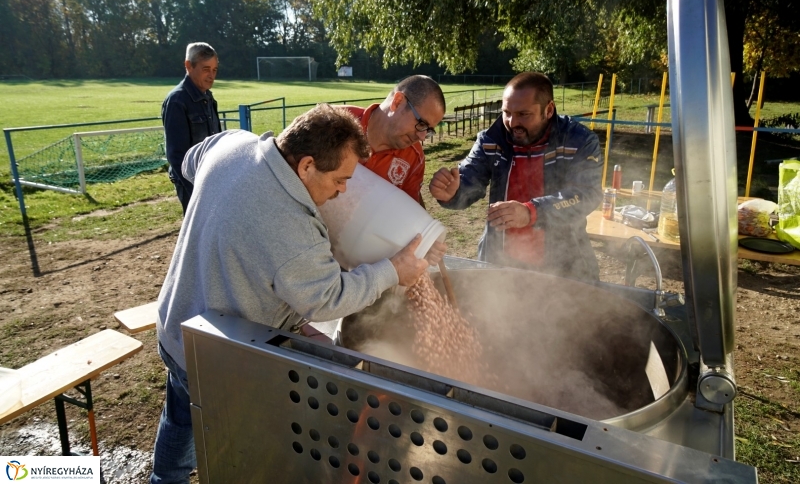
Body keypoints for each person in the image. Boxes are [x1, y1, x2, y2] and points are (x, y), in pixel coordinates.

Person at [150, 104, 429, 484]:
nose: (343, 191)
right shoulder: (292, 228)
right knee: (230, 446)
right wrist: (393, 270)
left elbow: (190, 162)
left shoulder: (234, 144)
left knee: (180, 415)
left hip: (174, 321)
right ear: (306, 166)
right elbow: (330, 298)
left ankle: (164, 476)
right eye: (339, 180)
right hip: (218, 358)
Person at [429, 72, 603, 281]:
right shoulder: (491, 139)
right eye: (507, 113)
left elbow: (587, 195)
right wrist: (453, 192)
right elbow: (469, 179)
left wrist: (531, 212)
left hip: (565, 268)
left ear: (548, 110)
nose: (512, 123)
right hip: (500, 264)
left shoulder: (579, 141)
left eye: (524, 114)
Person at [342, 75, 446, 205]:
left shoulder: (414, 157)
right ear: (397, 102)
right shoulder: (332, 122)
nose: (422, 137)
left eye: (428, 130)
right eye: (421, 124)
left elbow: (408, 211)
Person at [162, 42, 221, 214]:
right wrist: (197, 191)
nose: (211, 76)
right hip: (192, 184)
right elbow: (176, 156)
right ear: (188, 65)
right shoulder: (177, 101)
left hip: (211, 178)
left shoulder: (208, 98)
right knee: (198, 233)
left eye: (215, 70)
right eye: (206, 69)